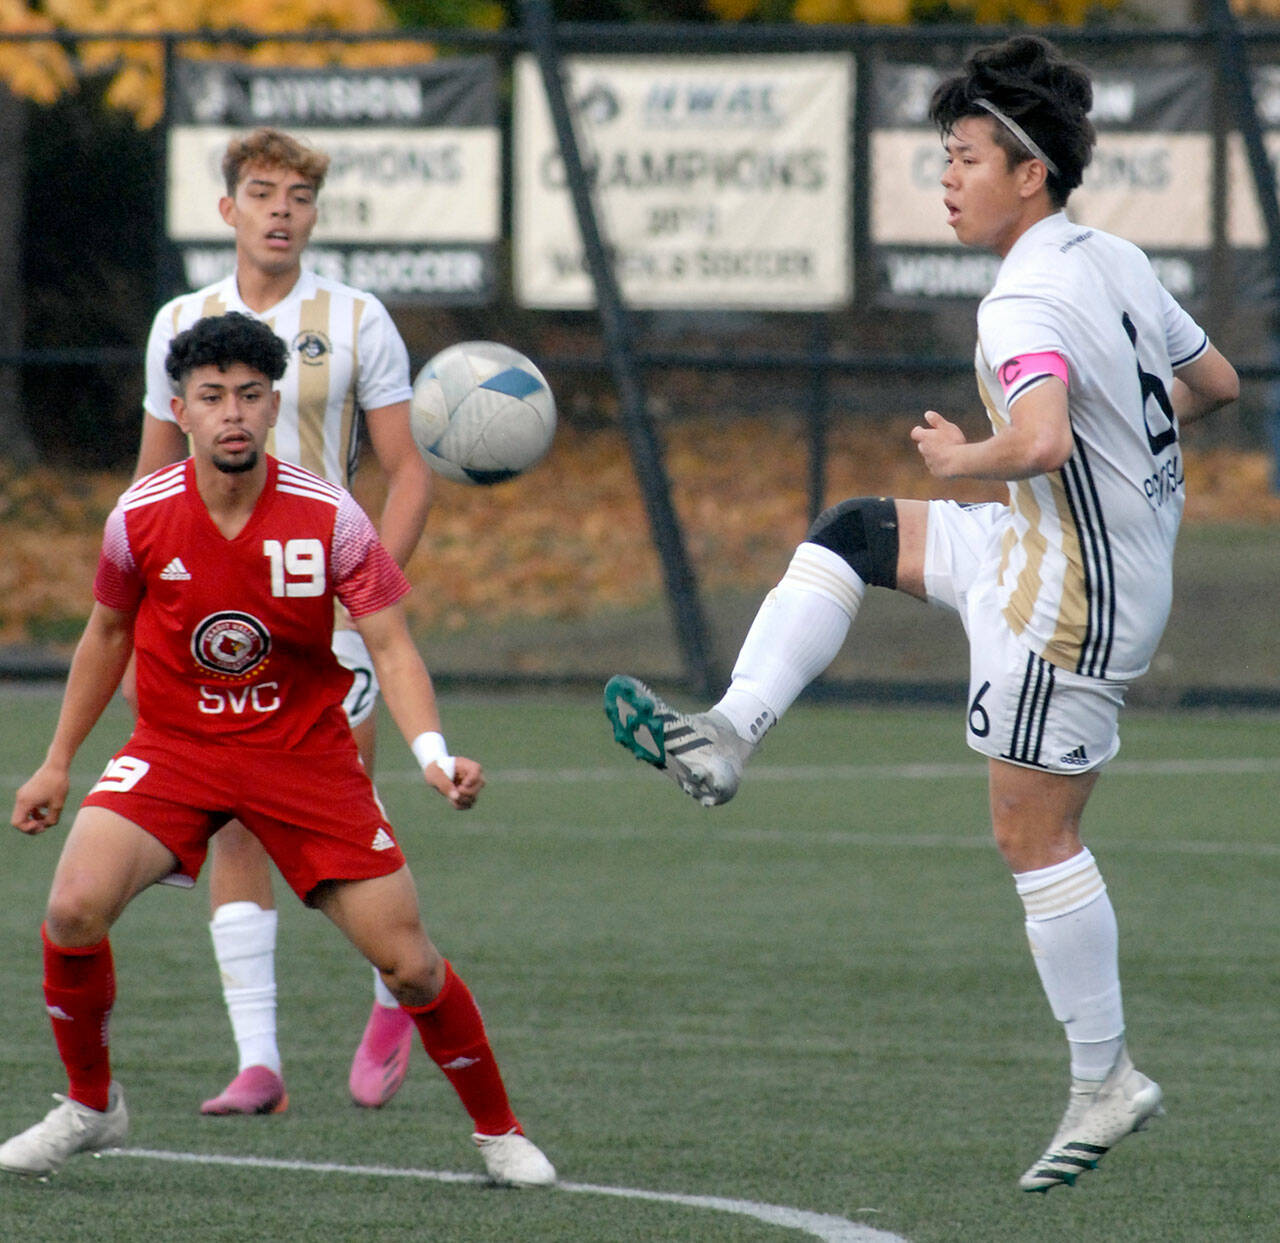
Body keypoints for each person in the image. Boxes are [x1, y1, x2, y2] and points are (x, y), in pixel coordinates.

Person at [603, 35, 1239, 1194]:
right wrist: (1112, 470)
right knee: (853, 530)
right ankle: (730, 730)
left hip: (1068, 601)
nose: (943, 179)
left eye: (961, 158)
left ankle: (1104, 1075)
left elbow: (1038, 438)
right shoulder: (1111, 256)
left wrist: (968, 457)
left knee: (1030, 838)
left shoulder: (1023, 296)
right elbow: (1213, 386)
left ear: (1028, 171)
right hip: (1052, 545)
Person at [1, 313, 554, 1187]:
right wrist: (59, 759)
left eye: (251, 397)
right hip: (176, 747)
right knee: (71, 907)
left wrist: (433, 752)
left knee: (409, 964)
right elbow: (106, 632)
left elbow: (393, 643)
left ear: (272, 407)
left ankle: (498, 1130)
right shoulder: (137, 518)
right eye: (213, 397)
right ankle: (91, 1106)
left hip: (302, 756)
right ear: (178, 409)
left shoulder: (329, 515)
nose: (233, 414)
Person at [134, 127, 433, 1115]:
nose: (279, 209)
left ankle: (393, 989)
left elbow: (408, 468)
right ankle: (258, 1061)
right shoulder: (181, 318)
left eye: (297, 195)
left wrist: (366, 588)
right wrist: (146, 604)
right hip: (213, 614)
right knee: (231, 818)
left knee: (347, 816)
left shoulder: (355, 319)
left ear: (312, 213)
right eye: (260, 192)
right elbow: (149, 479)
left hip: (325, 611)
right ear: (227, 210)